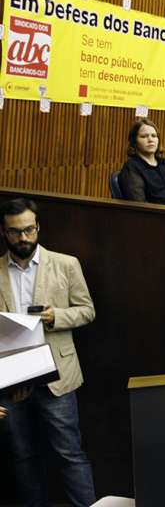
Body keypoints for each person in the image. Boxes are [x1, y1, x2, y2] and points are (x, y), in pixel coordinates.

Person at [0, 198, 96, 506]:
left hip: (57, 377)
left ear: (38, 227)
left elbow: (88, 311)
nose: (24, 238)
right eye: (15, 232)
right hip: (11, 379)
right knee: (22, 457)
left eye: (29, 229)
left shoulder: (66, 264)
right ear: (4, 232)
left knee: (70, 453)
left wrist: (57, 317)